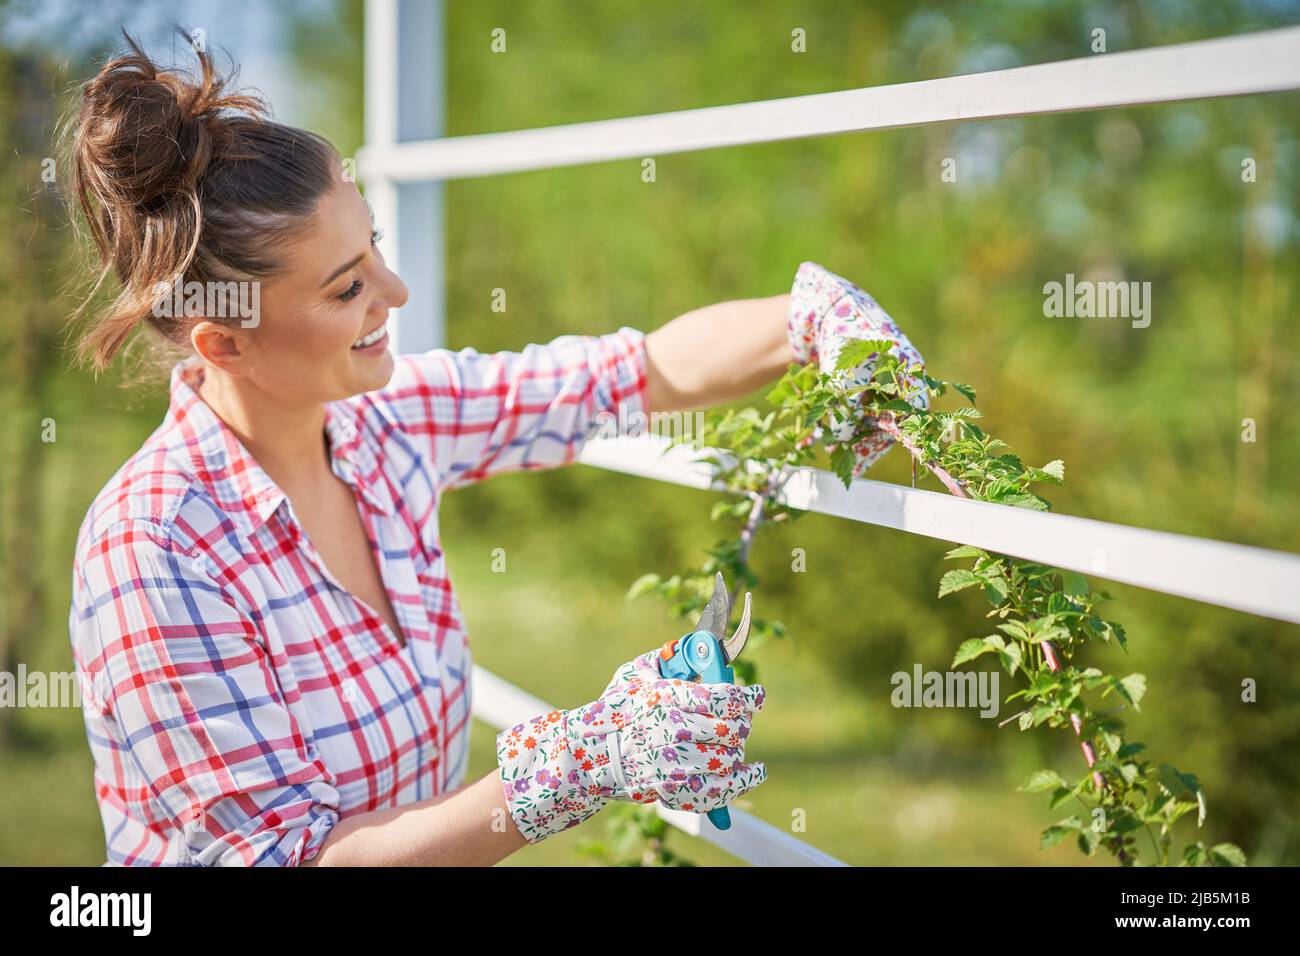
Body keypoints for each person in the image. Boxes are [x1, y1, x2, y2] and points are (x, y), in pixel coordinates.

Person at [64, 31, 920, 866]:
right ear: (224, 345)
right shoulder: (153, 549)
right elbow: (288, 859)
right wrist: (590, 757)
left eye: (377, 250)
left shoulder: (382, 420)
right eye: (348, 286)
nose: (394, 294)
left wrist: (812, 316)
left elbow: (627, 375)